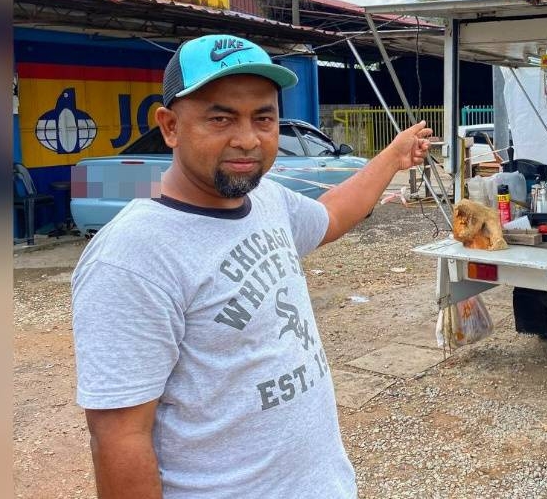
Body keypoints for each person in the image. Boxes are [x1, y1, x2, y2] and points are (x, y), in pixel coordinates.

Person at [71, 34, 432, 498]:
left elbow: (332, 215)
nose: (246, 139)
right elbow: (120, 438)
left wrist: (393, 158)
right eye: (220, 118)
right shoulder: (133, 256)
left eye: (263, 118)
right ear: (170, 126)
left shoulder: (265, 199)